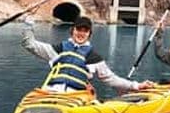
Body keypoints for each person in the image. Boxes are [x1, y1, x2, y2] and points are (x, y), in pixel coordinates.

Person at [21, 14, 154, 93]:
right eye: (79, 29)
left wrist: (136, 85)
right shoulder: (58, 49)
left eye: (85, 31)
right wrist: (28, 24)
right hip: (50, 93)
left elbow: (111, 79)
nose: (81, 33)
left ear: (89, 34)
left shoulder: (94, 57)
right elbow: (29, 44)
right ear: (72, 30)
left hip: (74, 97)